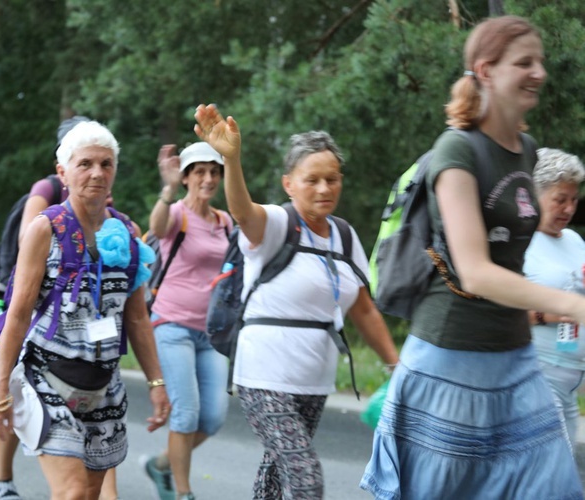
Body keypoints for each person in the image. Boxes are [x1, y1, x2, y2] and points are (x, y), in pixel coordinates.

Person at [356, 16, 584, 499]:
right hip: (450, 358)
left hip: (516, 359)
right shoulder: (455, 150)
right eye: (524, 62)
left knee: (554, 489)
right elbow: (476, 272)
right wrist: (574, 305)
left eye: (539, 61)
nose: (539, 72)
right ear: (485, 70)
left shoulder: (524, 150)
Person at [194, 104, 399, 499]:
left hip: (315, 378)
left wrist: (395, 366)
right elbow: (242, 211)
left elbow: (362, 307)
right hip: (263, 376)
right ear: (289, 184)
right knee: (305, 474)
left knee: (276, 472)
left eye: (332, 179)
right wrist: (231, 159)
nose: (324, 189)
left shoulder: (344, 235)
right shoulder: (275, 224)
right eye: (313, 180)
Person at [0, 120, 170, 500]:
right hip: (47, 379)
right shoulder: (45, 229)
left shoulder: (127, 233)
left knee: (87, 494)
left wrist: (156, 382)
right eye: (85, 164)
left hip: (104, 388)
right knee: (70, 492)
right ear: (62, 172)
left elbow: (136, 317)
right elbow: (18, 314)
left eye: (106, 164)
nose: (97, 173)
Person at [143, 142, 231, 500]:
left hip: (211, 332)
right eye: (200, 172)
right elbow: (156, 226)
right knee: (186, 414)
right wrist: (167, 189)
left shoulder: (225, 221)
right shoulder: (176, 214)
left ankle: (161, 465)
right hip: (172, 325)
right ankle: (183, 493)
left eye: (214, 172)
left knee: (213, 418)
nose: (208, 179)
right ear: (186, 177)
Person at [523, 147, 585, 448]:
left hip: (571, 381)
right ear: (536, 195)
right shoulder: (521, 243)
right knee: (552, 471)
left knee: (562, 475)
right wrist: (548, 314)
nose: (569, 209)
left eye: (574, 200)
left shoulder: (574, 240)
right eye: (560, 199)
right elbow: (493, 312)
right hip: (537, 374)